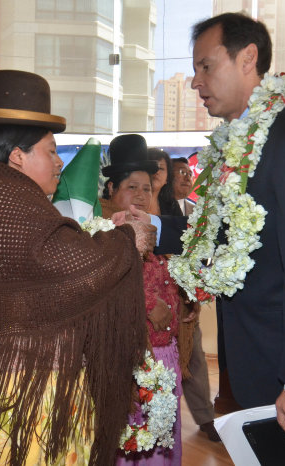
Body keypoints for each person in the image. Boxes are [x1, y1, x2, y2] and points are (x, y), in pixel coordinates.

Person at [116, 12, 285, 441]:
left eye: (205, 66)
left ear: (248, 58)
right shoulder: (237, 143)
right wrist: (152, 225)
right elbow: (218, 233)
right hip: (257, 360)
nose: (194, 82)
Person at [0, 70, 151, 466]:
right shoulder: (8, 202)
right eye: (50, 150)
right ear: (17, 156)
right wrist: (129, 239)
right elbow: (75, 268)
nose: (59, 162)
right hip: (17, 393)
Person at [101, 134, 183, 465]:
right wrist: (149, 304)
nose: (140, 195)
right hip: (128, 355)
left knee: (163, 435)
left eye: (147, 188)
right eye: (131, 187)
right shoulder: (100, 231)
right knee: (131, 437)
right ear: (111, 191)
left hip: (166, 353)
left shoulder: (156, 230)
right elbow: (104, 286)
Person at [169, 156, 220, 442]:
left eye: (190, 173)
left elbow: (202, 255)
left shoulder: (195, 211)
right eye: (180, 173)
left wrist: (197, 290)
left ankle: (205, 418)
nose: (187, 178)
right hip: (162, 299)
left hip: (189, 298)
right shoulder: (158, 208)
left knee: (196, 358)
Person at [147, 148, 182, 216]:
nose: (157, 172)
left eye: (161, 168)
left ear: (167, 178)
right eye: (153, 167)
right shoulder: (131, 202)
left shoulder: (172, 205)